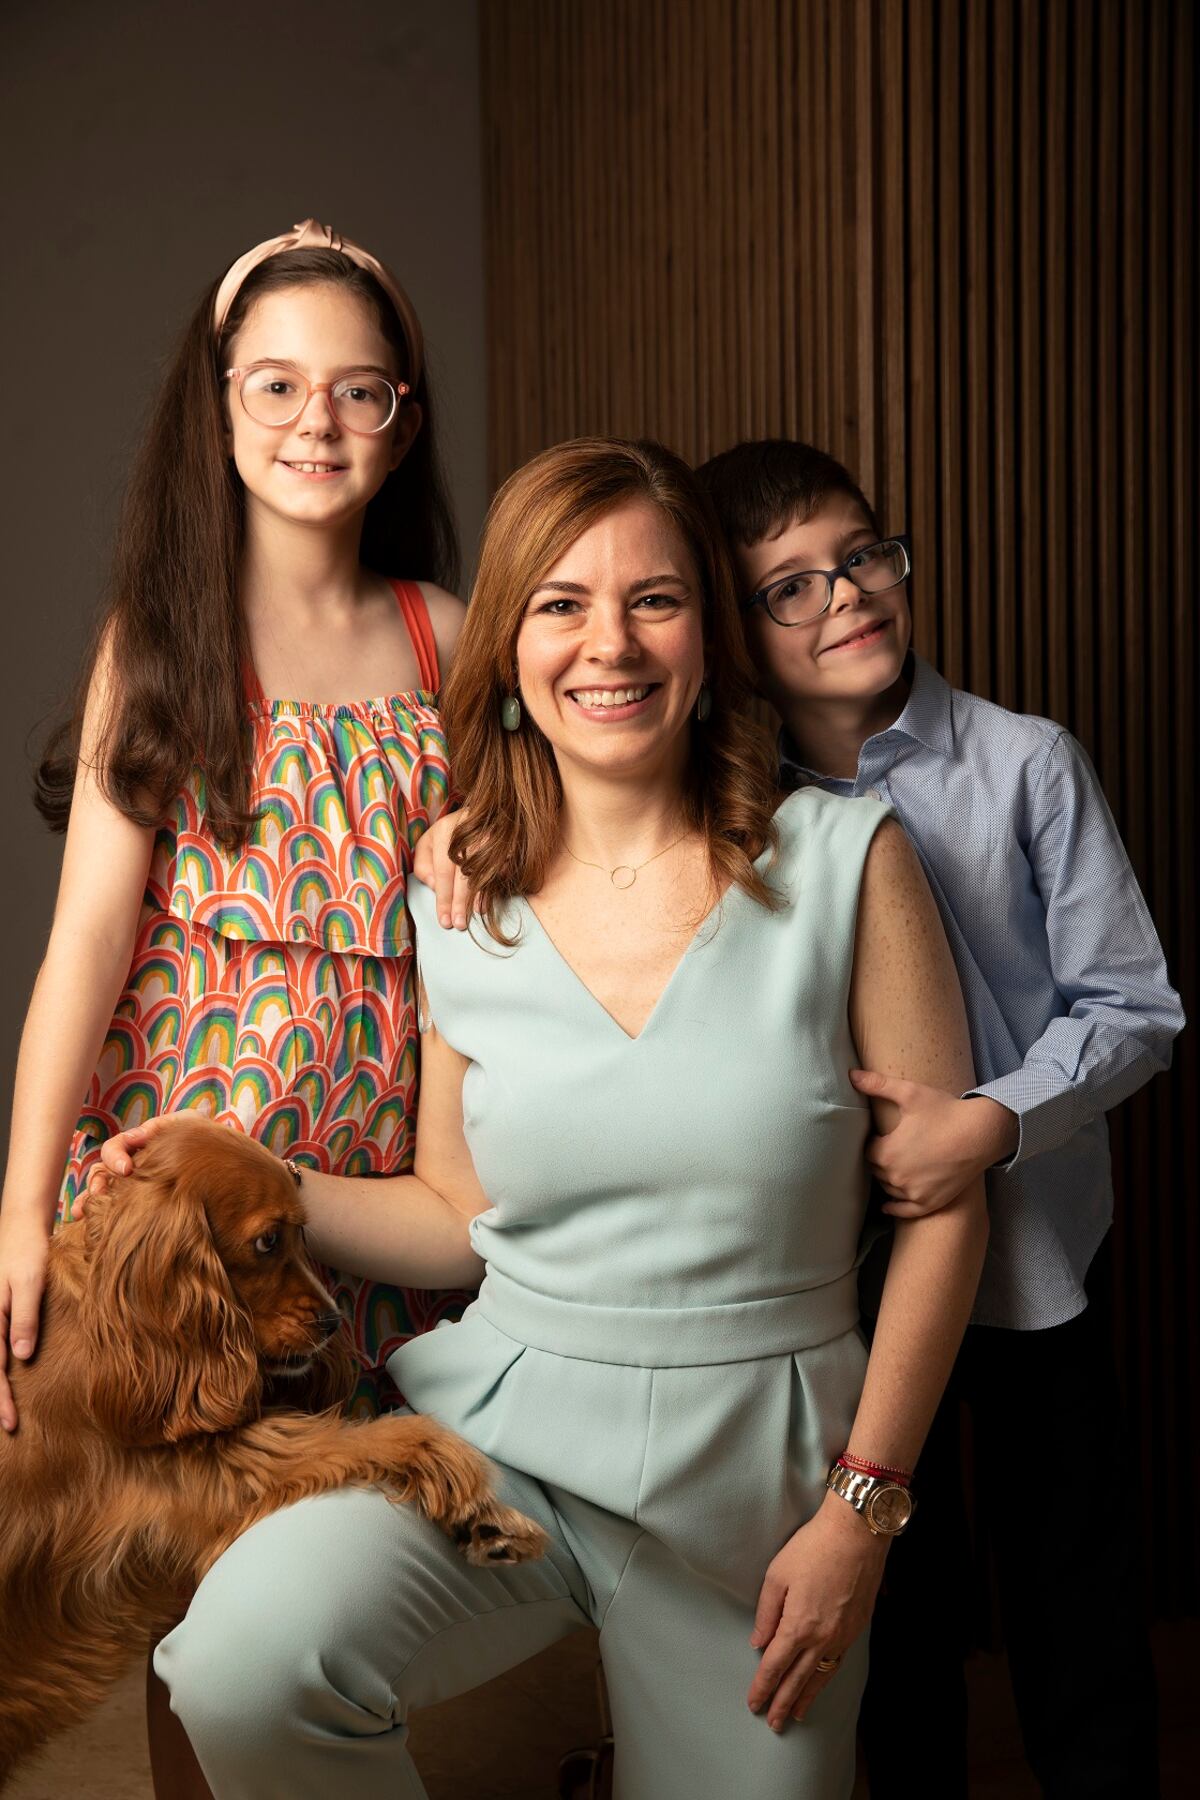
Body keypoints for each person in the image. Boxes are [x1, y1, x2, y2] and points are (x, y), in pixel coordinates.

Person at [98, 438, 988, 1799]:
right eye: (561, 604)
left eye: (657, 598)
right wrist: (243, 1175)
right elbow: (458, 1224)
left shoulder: (854, 864)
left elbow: (946, 1214)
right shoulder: (464, 896)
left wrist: (862, 1511)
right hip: (504, 1444)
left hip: (765, 1481)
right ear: (509, 649)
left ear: (711, 637)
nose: (608, 644)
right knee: (238, 1658)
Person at [0, 218, 470, 1796]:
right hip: (170, 1200)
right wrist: (19, 1212)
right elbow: (85, 951)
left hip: (357, 1194)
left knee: (290, 1578)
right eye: (274, 387)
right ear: (215, 407)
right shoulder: (165, 638)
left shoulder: (446, 640)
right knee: (181, 1579)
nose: (313, 427)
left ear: (402, 421)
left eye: (355, 393)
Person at [690, 438, 1184, 1797]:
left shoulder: (1026, 764)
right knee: (893, 1618)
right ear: (739, 633)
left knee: (1071, 1592)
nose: (844, 595)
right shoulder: (732, 808)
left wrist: (988, 1122)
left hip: (1030, 1265)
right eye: (787, 587)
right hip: (844, 1279)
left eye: (860, 557)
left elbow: (1134, 1007)